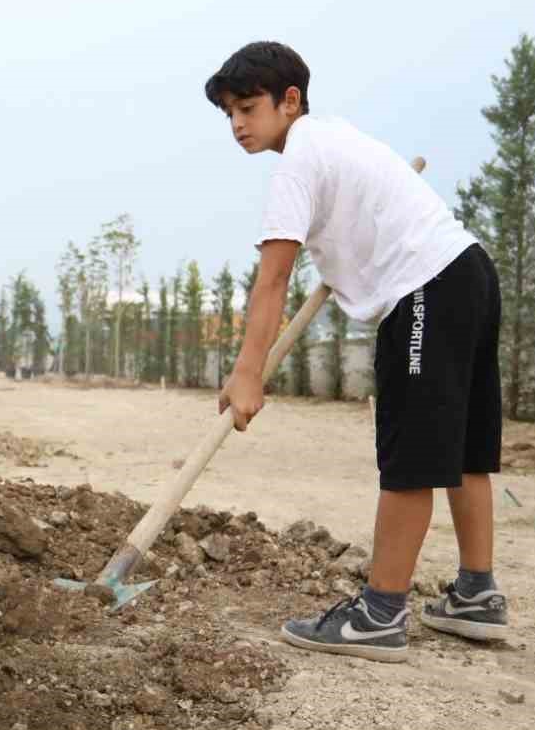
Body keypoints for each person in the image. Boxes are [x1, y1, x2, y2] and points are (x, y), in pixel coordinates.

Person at [210, 41, 506, 663]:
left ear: (290, 100)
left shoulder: (297, 161)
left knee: (415, 455)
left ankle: (379, 614)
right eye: (228, 113)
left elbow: (273, 278)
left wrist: (247, 374)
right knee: (464, 449)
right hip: (470, 273)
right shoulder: (337, 139)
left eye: (248, 107)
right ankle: (476, 595)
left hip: (424, 288)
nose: (237, 124)